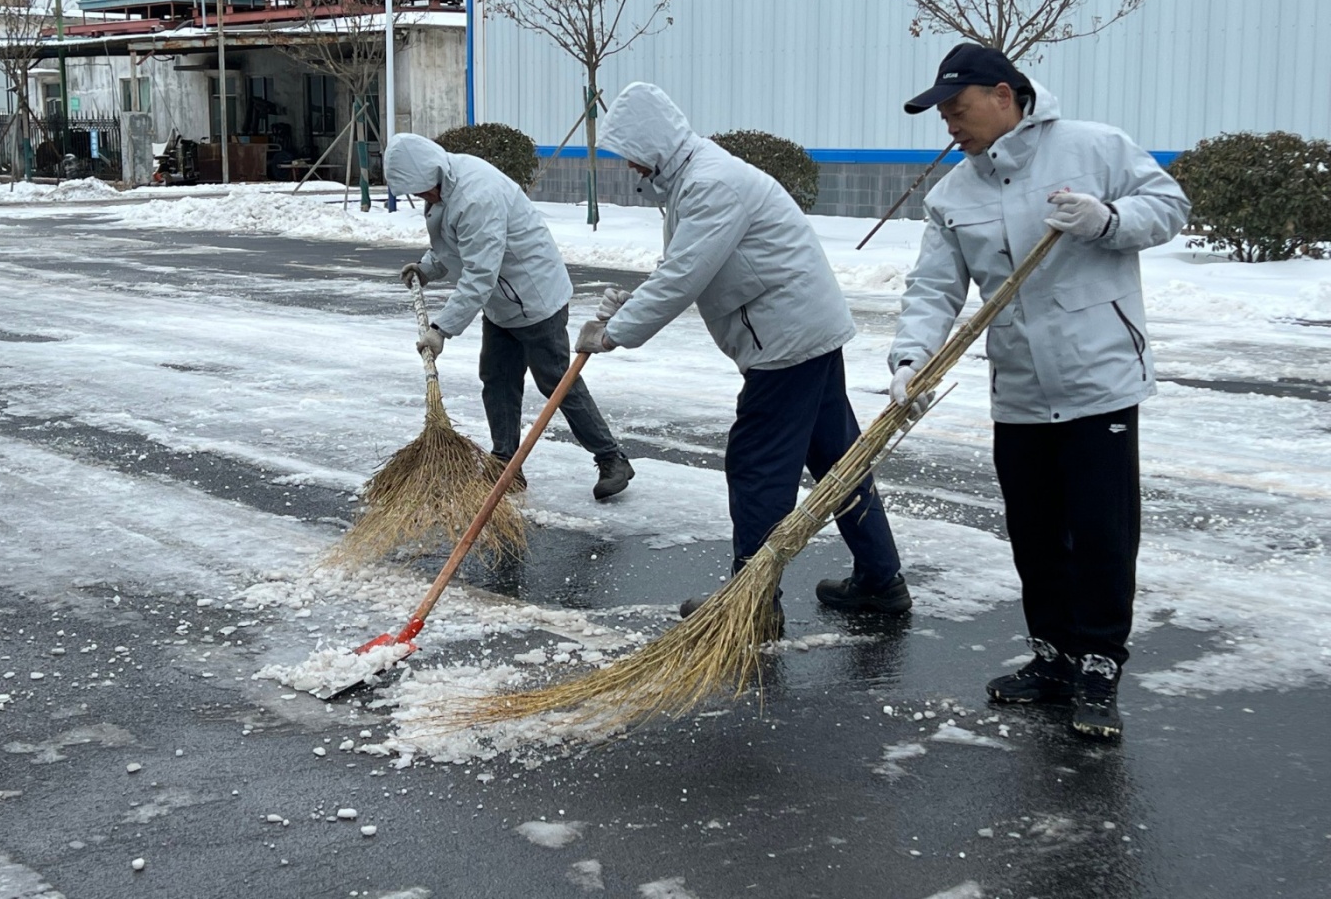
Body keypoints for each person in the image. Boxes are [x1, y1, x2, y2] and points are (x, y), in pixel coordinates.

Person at [891, 43, 1189, 739]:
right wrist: (911, 358)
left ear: (1004, 95)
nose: (951, 127)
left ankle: (1099, 666)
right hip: (1019, 389)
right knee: (1033, 532)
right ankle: (1052, 656)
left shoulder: (1093, 148)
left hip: (1098, 380)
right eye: (942, 115)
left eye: (957, 110)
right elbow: (934, 288)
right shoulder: (952, 194)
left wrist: (1108, 222)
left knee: (1102, 532)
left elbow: (1169, 206)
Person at [575, 82, 912, 638]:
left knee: (756, 464)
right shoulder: (694, 178)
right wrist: (625, 307)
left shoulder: (711, 185)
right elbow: (680, 261)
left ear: (651, 143)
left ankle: (751, 603)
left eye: (630, 151)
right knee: (838, 462)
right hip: (803, 331)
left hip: (787, 340)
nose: (629, 164)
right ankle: (881, 578)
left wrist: (616, 336)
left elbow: (686, 276)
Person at [383, 132, 635, 500]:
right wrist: (427, 268)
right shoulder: (445, 185)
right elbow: (457, 245)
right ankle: (506, 464)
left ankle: (612, 459)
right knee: (498, 379)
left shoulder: (476, 194)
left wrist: (441, 329)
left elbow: (480, 273)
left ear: (433, 174)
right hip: (502, 303)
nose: (424, 199)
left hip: (535, 300)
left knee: (555, 383)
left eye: (424, 192)